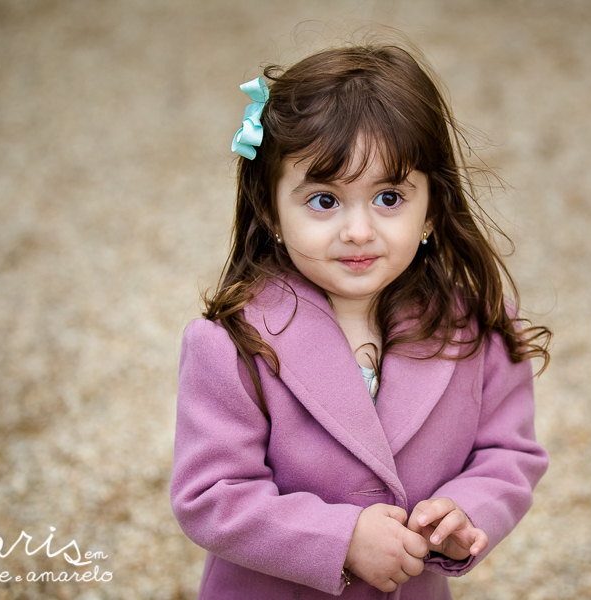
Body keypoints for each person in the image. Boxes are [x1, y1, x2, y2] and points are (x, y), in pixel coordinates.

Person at [170, 43, 551, 600]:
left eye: (389, 197)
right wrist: (339, 538)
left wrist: (464, 513)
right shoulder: (231, 343)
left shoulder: (480, 327)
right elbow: (211, 494)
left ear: (433, 208)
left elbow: (508, 454)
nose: (358, 230)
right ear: (271, 210)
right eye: (324, 201)